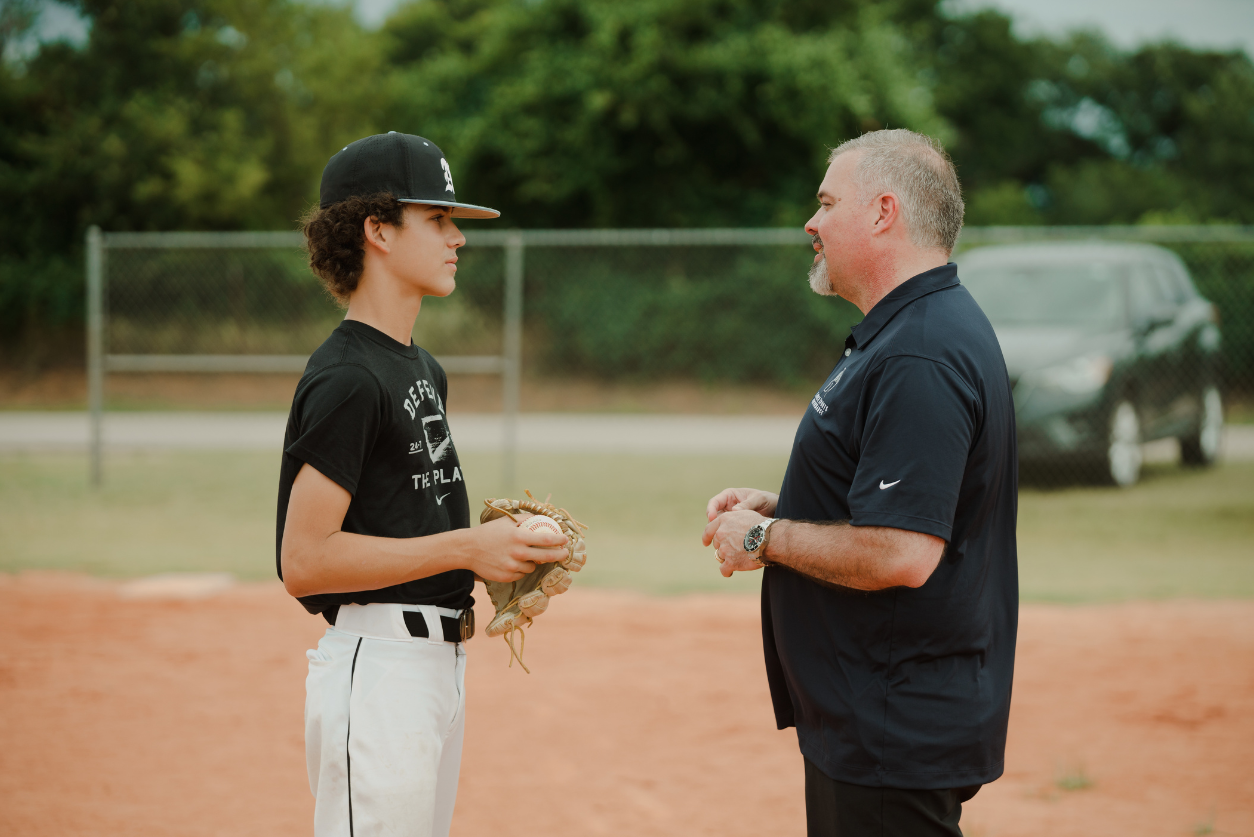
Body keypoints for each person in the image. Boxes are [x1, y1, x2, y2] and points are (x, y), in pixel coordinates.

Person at [702, 129, 1018, 836]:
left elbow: (903, 550)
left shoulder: (921, 352)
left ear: (882, 213)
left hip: (890, 724)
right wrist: (789, 506)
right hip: (879, 717)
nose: (810, 224)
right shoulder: (908, 331)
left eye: (825, 203)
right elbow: (910, 500)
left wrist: (763, 535)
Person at [276, 132, 568, 837]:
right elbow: (305, 561)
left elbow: (400, 518)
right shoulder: (348, 377)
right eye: (436, 219)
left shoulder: (419, 367)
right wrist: (469, 547)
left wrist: (500, 545)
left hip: (436, 667)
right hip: (378, 669)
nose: (456, 238)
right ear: (377, 229)